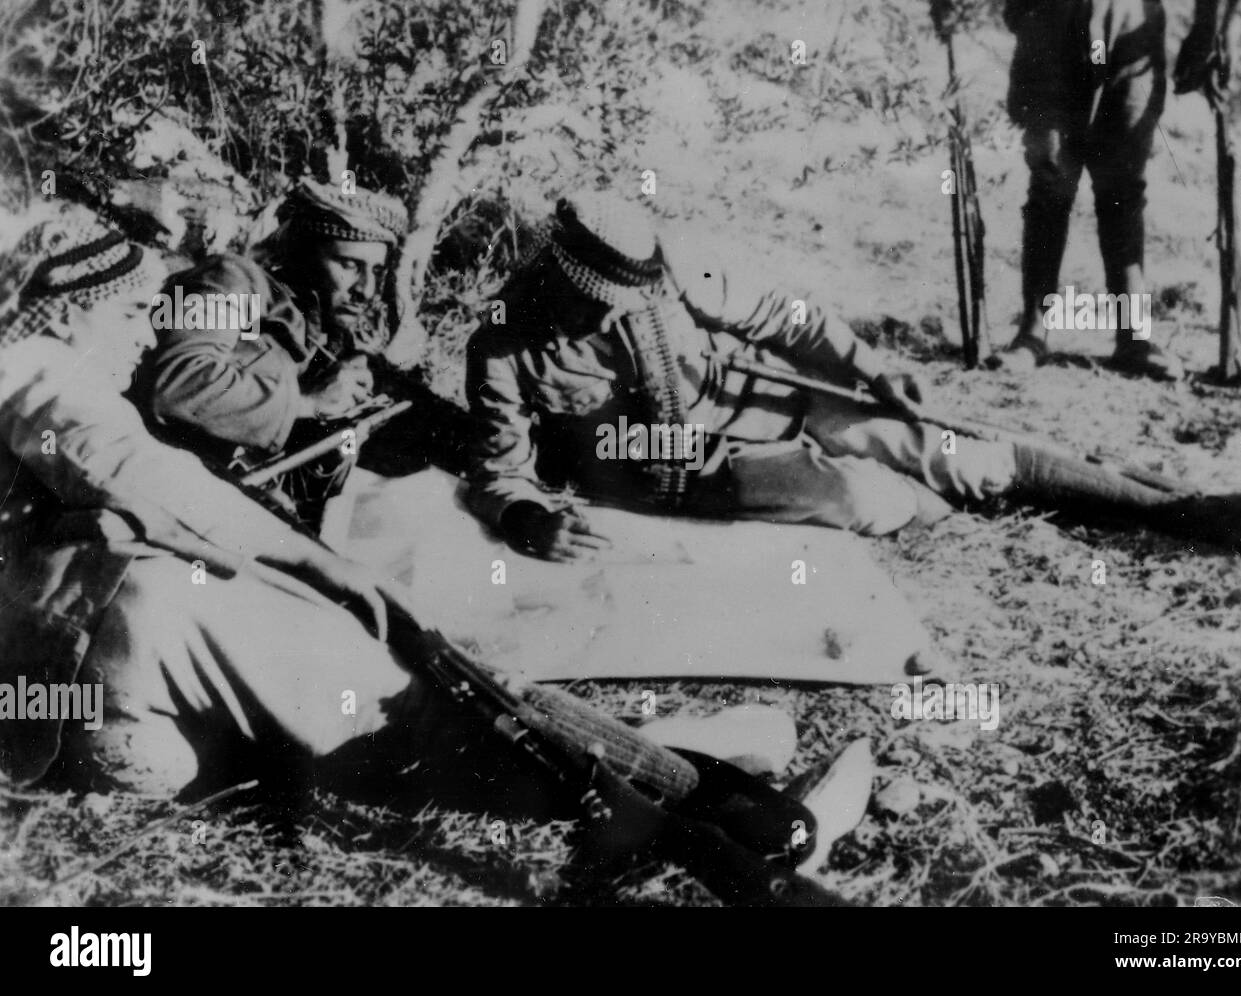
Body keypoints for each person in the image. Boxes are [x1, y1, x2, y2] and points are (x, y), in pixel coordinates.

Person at [0, 207, 873, 890]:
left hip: (66, 709)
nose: (357, 284)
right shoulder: (183, 303)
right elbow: (136, 452)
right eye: (347, 263)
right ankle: (726, 812)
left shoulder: (304, 312)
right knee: (399, 691)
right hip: (115, 621)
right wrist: (320, 559)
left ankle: (668, 766)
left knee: (361, 728)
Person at [465, 190, 1241, 560]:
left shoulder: (663, 264)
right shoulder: (502, 341)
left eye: (632, 300)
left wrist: (877, 374)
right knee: (863, 495)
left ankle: (1185, 512)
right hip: (674, 472)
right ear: (559, 278)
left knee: (960, 453)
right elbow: (499, 469)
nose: (619, 315)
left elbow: (788, 320)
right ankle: (945, 505)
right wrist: (530, 521)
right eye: (598, 304)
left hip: (750, 404)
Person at [132, 179, 465, 532]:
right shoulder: (231, 280)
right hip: (162, 493)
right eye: (350, 265)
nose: (366, 290)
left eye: (378, 272)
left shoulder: (328, 339)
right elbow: (177, 383)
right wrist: (309, 404)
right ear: (301, 252)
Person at [996, 0, 1241, 380]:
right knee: (1050, 174)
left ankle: (1133, 335)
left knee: (1122, 184)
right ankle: (1032, 332)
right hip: (1051, 13)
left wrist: (1206, 30)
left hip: (1132, 15)